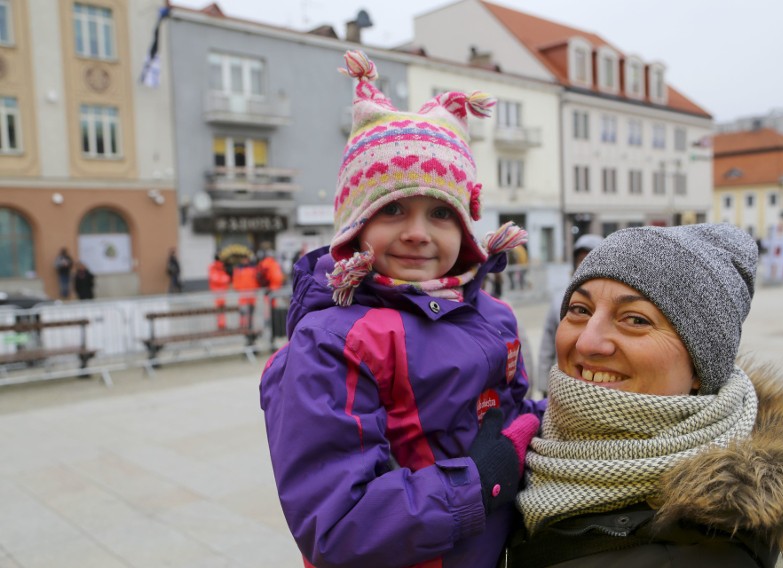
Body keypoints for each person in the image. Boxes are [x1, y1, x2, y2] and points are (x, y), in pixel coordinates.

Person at [260, 51, 544, 568]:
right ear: (354, 225)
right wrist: (479, 482)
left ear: (466, 228)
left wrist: (557, 419)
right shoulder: (333, 341)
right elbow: (336, 528)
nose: (417, 232)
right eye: (392, 209)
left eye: (440, 212)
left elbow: (516, 413)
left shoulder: (493, 314)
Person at [507, 224, 783, 567]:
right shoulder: (521, 443)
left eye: (636, 319)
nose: (587, 342)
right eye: (580, 310)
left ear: (701, 369)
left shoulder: (704, 551)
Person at [536, 233, 603, 396]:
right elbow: (547, 344)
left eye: (592, 258)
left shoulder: (615, 300)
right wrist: (545, 385)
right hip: (565, 384)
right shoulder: (561, 298)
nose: (586, 264)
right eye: (581, 259)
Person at [208, 252, 231, 330]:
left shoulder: (220, 267)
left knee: (221, 309)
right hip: (218, 292)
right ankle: (220, 324)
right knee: (220, 309)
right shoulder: (215, 267)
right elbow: (218, 279)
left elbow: (225, 278)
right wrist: (224, 279)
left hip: (220, 292)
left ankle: (222, 324)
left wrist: (224, 279)